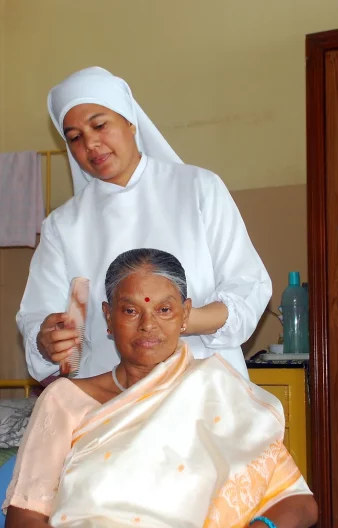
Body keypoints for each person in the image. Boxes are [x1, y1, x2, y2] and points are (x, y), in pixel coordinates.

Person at [3, 249, 317, 528]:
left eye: (163, 310)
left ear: (185, 314)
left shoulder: (216, 392)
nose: (147, 324)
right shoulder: (64, 401)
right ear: (108, 317)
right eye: (130, 310)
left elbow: (300, 504)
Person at [16, 67, 271, 382]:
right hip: (112, 403)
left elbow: (248, 287)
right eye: (75, 137)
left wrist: (177, 321)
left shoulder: (198, 188)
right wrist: (46, 341)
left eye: (100, 125)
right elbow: (39, 317)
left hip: (203, 389)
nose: (91, 144)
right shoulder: (63, 225)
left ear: (130, 121)